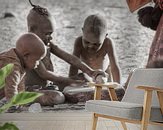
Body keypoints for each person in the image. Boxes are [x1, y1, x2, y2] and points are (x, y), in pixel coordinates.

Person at [25, 1, 105, 106]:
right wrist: (69, 81)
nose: (51, 37)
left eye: (51, 33)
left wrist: (90, 71)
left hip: (48, 86)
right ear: (32, 30)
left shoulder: (48, 44)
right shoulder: (30, 47)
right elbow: (44, 74)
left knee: (84, 77)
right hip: (31, 90)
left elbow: (69, 58)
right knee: (58, 97)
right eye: (47, 33)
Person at [64, 14, 124, 103]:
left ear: (105, 36)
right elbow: (74, 64)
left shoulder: (108, 43)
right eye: (87, 42)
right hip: (87, 76)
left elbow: (114, 66)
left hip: (104, 74)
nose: (90, 46)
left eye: (96, 44)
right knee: (82, 77)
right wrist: (70, 84)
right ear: (82, 31)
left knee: (107, 83)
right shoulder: (78, 42)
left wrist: (118, 86)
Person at [0, 33, 46, 101]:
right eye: (37, 60)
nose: (38, 64)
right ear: (26, 56)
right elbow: (11, 88)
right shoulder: (13, 67)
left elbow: (20, 85)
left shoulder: (19, 62)